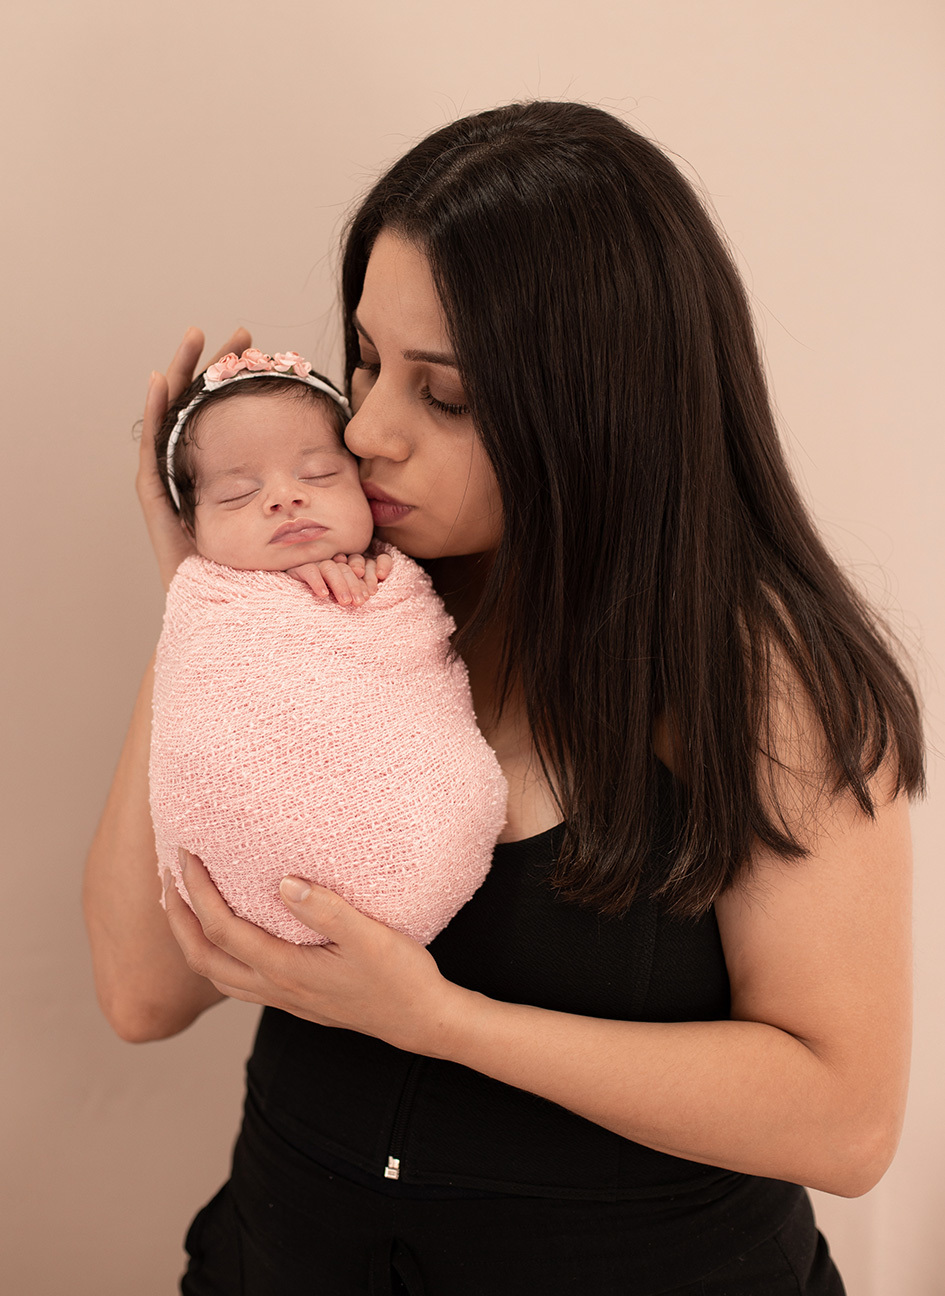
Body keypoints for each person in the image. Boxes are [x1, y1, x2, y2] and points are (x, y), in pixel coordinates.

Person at [84, 101, 923, 1295]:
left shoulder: (765, 675)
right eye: (367, 360)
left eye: (448, 395)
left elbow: (846, 1125)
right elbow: (142, 991)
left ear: (596, 412)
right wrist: (212, 603)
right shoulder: (354, 599)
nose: (365, 429)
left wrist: (438, 1021)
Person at [149, 347, 506, 946]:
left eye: (317, 475)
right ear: (192, 526)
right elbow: (141, 1005)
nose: (285, 499)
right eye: (238, 493)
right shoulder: (210, 606)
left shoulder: (391, 583)